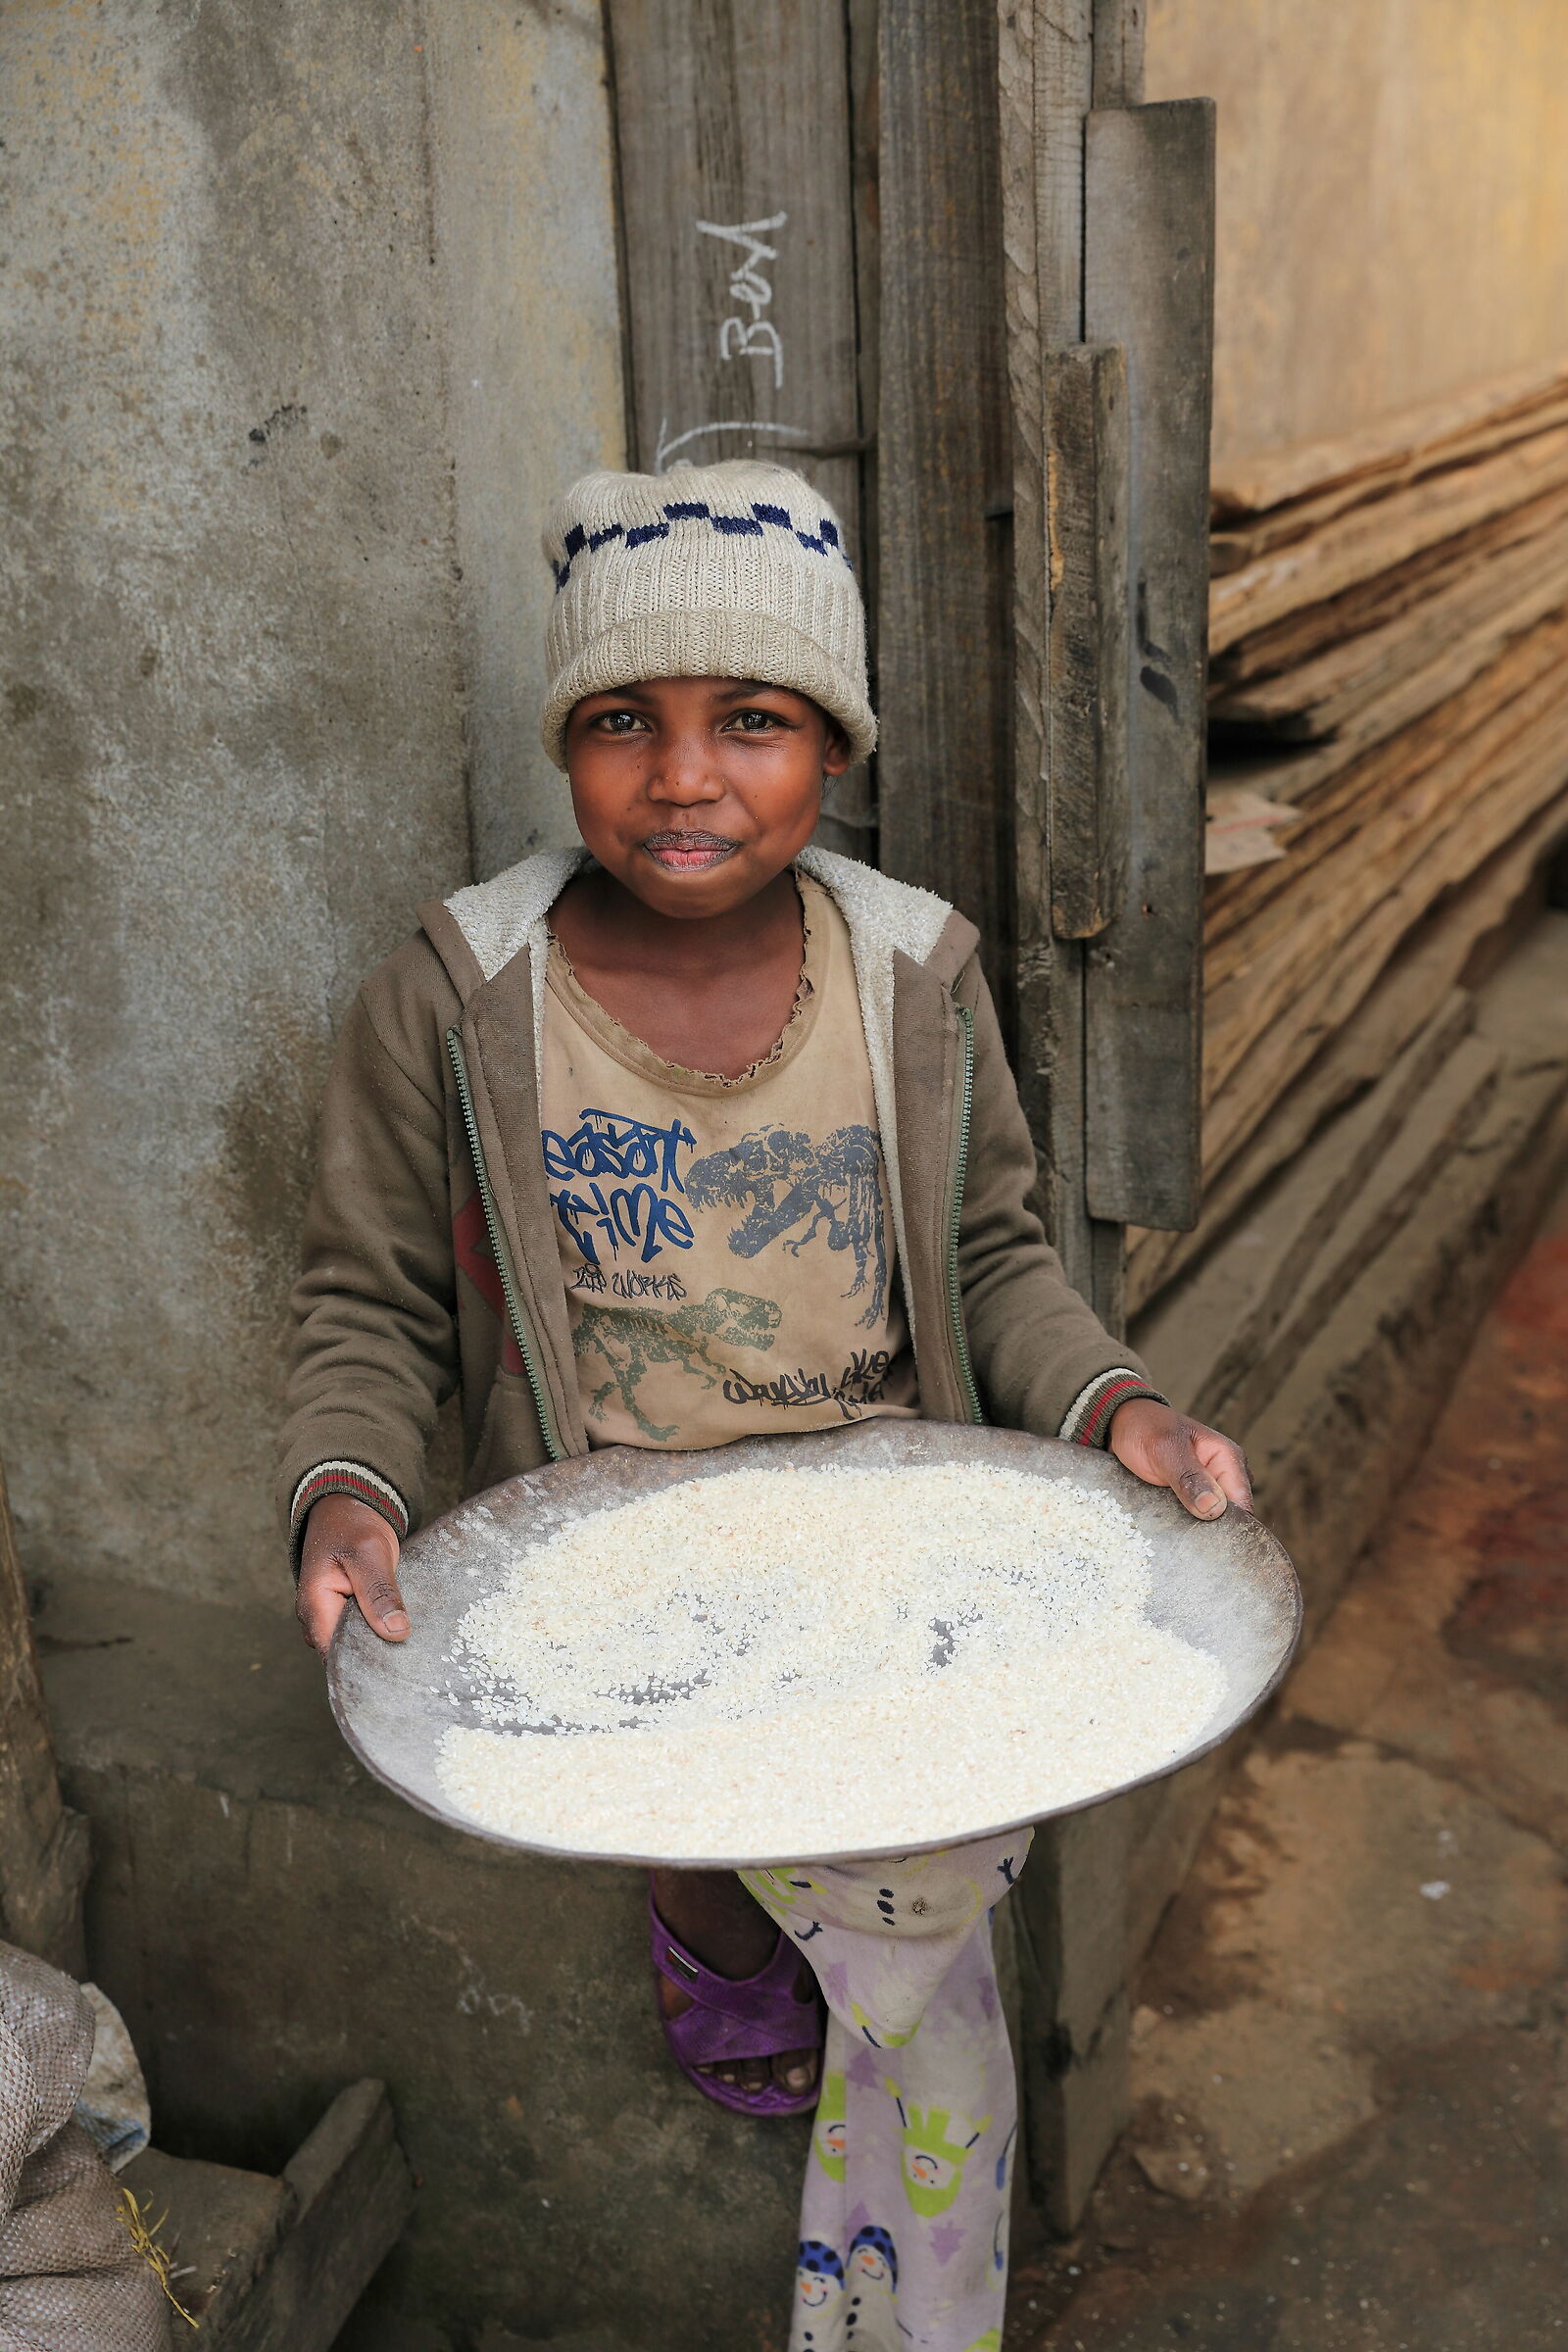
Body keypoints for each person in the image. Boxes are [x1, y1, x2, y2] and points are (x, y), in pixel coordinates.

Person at [279, 460, 1250, 2352]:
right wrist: (349, 1486)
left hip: (880, 1532)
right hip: (620, 1558)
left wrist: (1115, 1407)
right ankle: (713, 1919)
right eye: (623, 722)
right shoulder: (459, 999)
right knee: (701, 1808)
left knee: (912, 1822)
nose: (686, 776)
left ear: (835, 747)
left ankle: (866, 1999)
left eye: (755, 720)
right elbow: (368, 1298)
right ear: (567, 743)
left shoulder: (912, 978)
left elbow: (995, 1266)